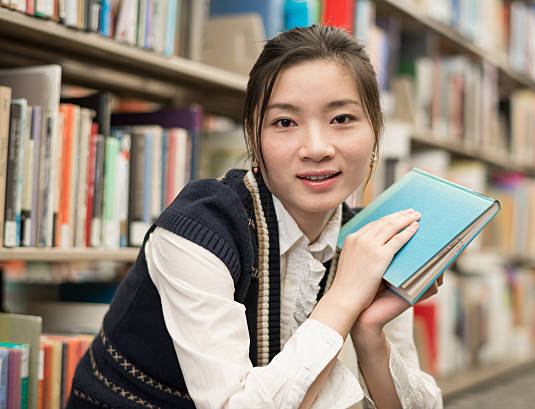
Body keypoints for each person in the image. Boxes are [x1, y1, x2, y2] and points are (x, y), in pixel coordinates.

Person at [67, 25, 443, 409]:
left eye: (342, 119)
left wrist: (368, 332)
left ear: (376, 129)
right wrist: (347, 295)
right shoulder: (200, 227)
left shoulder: (370, 239)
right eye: (284, 122)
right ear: (254, 136)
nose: (316, 148)